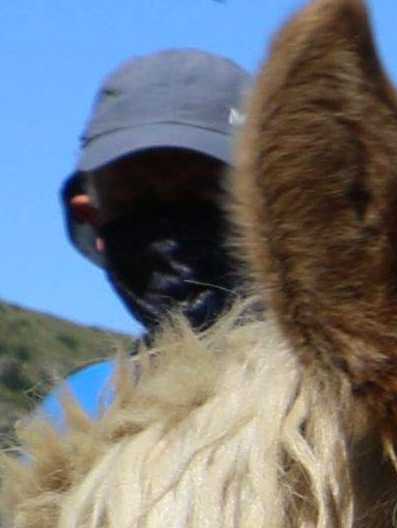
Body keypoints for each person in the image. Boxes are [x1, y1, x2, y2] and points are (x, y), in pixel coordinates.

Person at [39, 46, 251, 426]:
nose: (171, 231)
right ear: (93, 219)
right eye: (134, 199)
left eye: (202, 194)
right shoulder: (75, 412)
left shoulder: (341, 391)